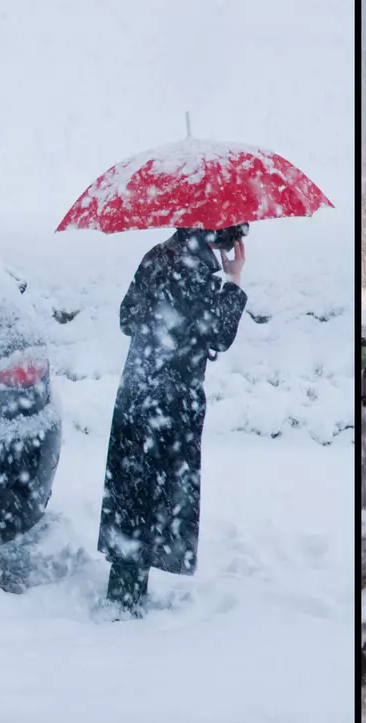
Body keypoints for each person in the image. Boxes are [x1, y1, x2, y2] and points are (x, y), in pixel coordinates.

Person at [98, 222, 249, 616]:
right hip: (172, 400)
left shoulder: (157, 255)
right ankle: (126, 598)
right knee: (157, 494)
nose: (235, 243)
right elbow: (217, 334)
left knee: (133, 490)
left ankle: (125, 586)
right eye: (233, 234)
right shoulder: (195, 269)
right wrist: (232, 282)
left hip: (136, 392)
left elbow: (127, 319)